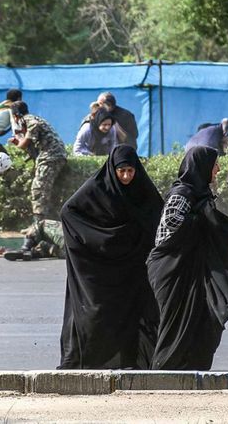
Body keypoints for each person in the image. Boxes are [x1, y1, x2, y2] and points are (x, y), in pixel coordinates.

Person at [147, 146, 228, 370]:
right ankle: (163, 374)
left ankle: (191, 370)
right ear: (202, 166)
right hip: (172, 270)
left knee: (201, 321)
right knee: (174, 325)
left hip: (190, 269)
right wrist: (202, 222)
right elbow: (167, 231)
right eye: (215, 164)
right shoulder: (182, 195)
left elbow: (217, 223)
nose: (218, 169)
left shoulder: (201, 195)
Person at [57, 145, 163, 369]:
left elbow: (157, 218)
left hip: (133, 266)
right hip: (101, 265)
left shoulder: (143, 191)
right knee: (98, 313)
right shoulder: (96, 188)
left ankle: (133, 361)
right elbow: (68, 212)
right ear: (112, 169)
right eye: (121, 171)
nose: (126, 176)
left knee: (135, 314)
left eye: (130, 171)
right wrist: (101, 240)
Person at [9, 101, 67, 227]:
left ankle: (38, 226)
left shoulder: (29, 120)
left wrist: (18, 143)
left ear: (15, 116)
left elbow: (25, 143)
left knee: (39, 189)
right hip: (52, 155)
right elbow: (31, 145)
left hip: (51, 156)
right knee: (45, 189)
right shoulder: (32, 119)